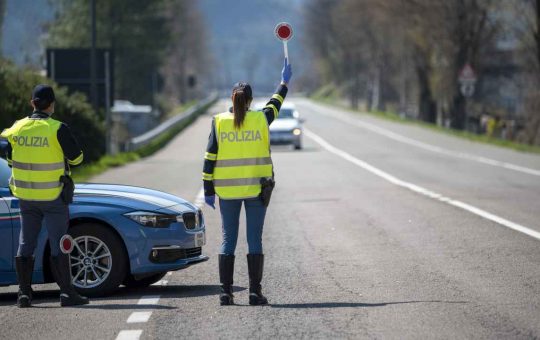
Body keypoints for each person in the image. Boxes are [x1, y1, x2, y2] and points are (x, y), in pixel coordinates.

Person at [202, 59, 292, 306]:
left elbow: (209, 157)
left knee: (227, 240)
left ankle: (225, 293)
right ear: (250, 101)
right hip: (256, 190)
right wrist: (283, 83)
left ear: (232, 100)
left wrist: (208, 189)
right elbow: (276, 103)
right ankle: (254, 293)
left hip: (227, 192)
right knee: (255, 239)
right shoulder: (261, 119)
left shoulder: (219, 121)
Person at [0, 85, 89, 307]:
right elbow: (77, 159)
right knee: (60, 242)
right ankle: (67, 293)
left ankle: (23, 294)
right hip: (52, 197)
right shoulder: (57, 129)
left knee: (26, 242)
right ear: (52, 104)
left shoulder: (17, 128)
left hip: (25, 197)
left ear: (32, 103)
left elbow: (11, 161)